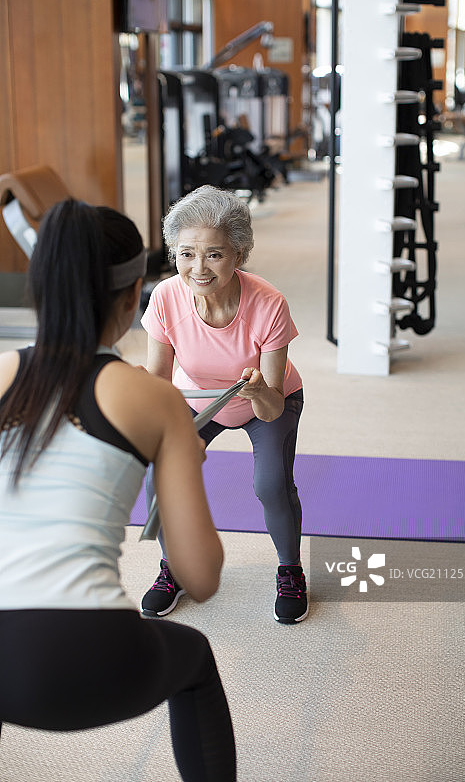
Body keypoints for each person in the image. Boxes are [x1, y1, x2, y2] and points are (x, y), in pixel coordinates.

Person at [0, 199, 236, 782]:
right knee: (194, 658)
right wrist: (182, 457)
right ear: (134, 297)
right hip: (96, 655)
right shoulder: (154, 399)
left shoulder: (1, 373)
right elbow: (200, 577)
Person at [140, 184, 307, 625]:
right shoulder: (166, 297)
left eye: (214, 254)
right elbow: (158, 382)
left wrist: (258, 391)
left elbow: (271, 407)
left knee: (271, 484)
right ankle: (174, 567)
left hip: (267, 399)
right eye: (186, 254)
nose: (198, 268)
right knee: (160, 476)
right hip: (199, 399)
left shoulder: (268, 303)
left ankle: (290, 570)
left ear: (239, 254)